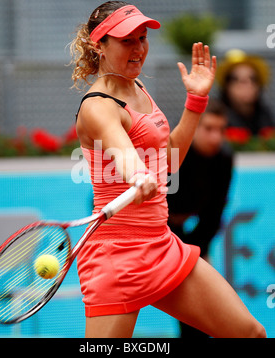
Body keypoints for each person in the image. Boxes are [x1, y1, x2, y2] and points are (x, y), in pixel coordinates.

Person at [70, 1, 266, 338]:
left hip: (161, 244)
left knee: (250, 334)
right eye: (126, 40)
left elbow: (169, 161)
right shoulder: (97, 107)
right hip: (118, 257)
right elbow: (123, 151)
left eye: (142, 38)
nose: (138, 49)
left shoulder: (139, 90)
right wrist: (137, 175)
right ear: (98, 45)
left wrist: (196, 103)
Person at [167, 99, 233, 338]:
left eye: (221, 130)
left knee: (199, 307)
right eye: (208, 129)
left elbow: (214, 214)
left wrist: (192, 251)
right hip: (147, 231)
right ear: (192, 127)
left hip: (186, 233)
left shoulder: (224, 158)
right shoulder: (168, 151)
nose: (216, 137)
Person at [216, 49, 275, 136]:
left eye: (253, 79)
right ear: (227, 86)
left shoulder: (267, 115)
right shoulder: (215, 116)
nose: (247, 85)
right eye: (236, 79)